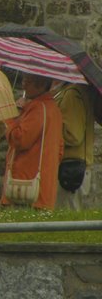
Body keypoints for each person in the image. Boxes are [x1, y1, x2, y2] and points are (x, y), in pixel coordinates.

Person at [2, 74, 63, 210]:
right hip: (43, 186)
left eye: (27, 81)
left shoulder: (37, 108)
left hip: (25, 185)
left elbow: (19, 139)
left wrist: (12, 117)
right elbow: (60, 149)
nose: (23, 85)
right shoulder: (54, 109)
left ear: (41, 84)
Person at [52, 80, 95, 210]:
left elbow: (73, 136)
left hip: (72, 168)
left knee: (67, 219)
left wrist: (49, 130)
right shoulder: (66, 92)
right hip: (71, 167)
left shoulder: (71, 94)